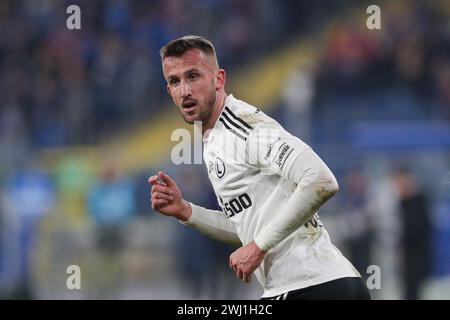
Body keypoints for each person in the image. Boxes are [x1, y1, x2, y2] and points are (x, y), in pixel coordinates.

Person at [148, 35, 370, 300]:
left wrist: (258, 247)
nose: (184, 90)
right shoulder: (215, 139)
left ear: (219, 79)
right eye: (175, 81)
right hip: (314, 285)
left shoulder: (245, 127)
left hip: (313, 285)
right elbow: (248, 229)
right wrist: (186, 211)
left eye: (193, 76)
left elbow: (320, 180)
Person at [391, 168, 432, 300]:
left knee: (413, 289)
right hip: (407, 256)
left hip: (416, 255)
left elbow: (415, 229)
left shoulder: (418, 202)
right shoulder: (402, 204)